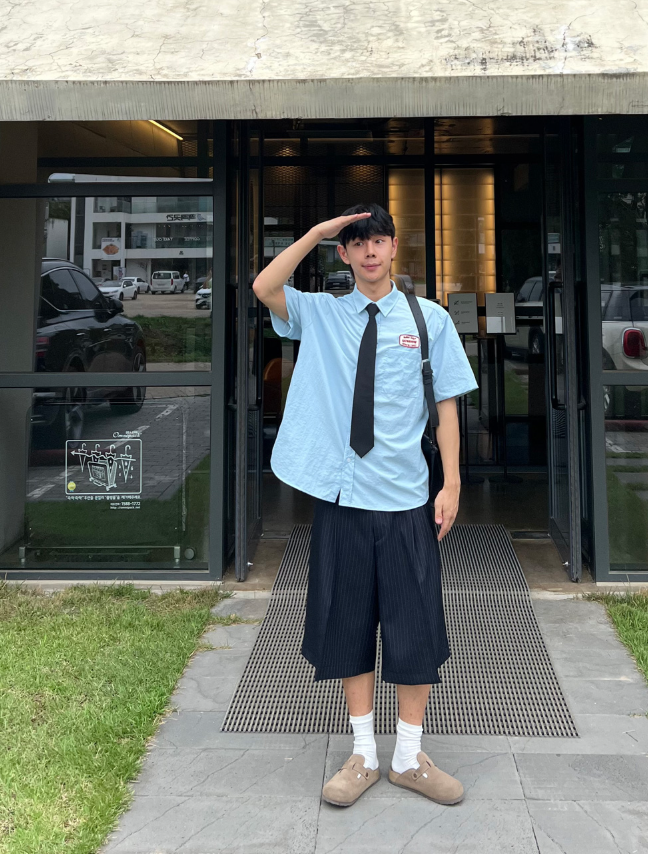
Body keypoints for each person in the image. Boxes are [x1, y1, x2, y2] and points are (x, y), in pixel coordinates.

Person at [252, 203, 478, 808]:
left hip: (407, 501)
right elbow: (265, 287)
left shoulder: (429, 320)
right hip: (343, 498)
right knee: (347, 622)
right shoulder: (322, 314)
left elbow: (447, 406)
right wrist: (316, 232)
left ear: (394, 247)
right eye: (357, 243)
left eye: (379, 240)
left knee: (414, 629)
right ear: (345, 254)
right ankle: (363, 755)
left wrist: (452, 484)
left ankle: (409, 757)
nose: (370, 251)